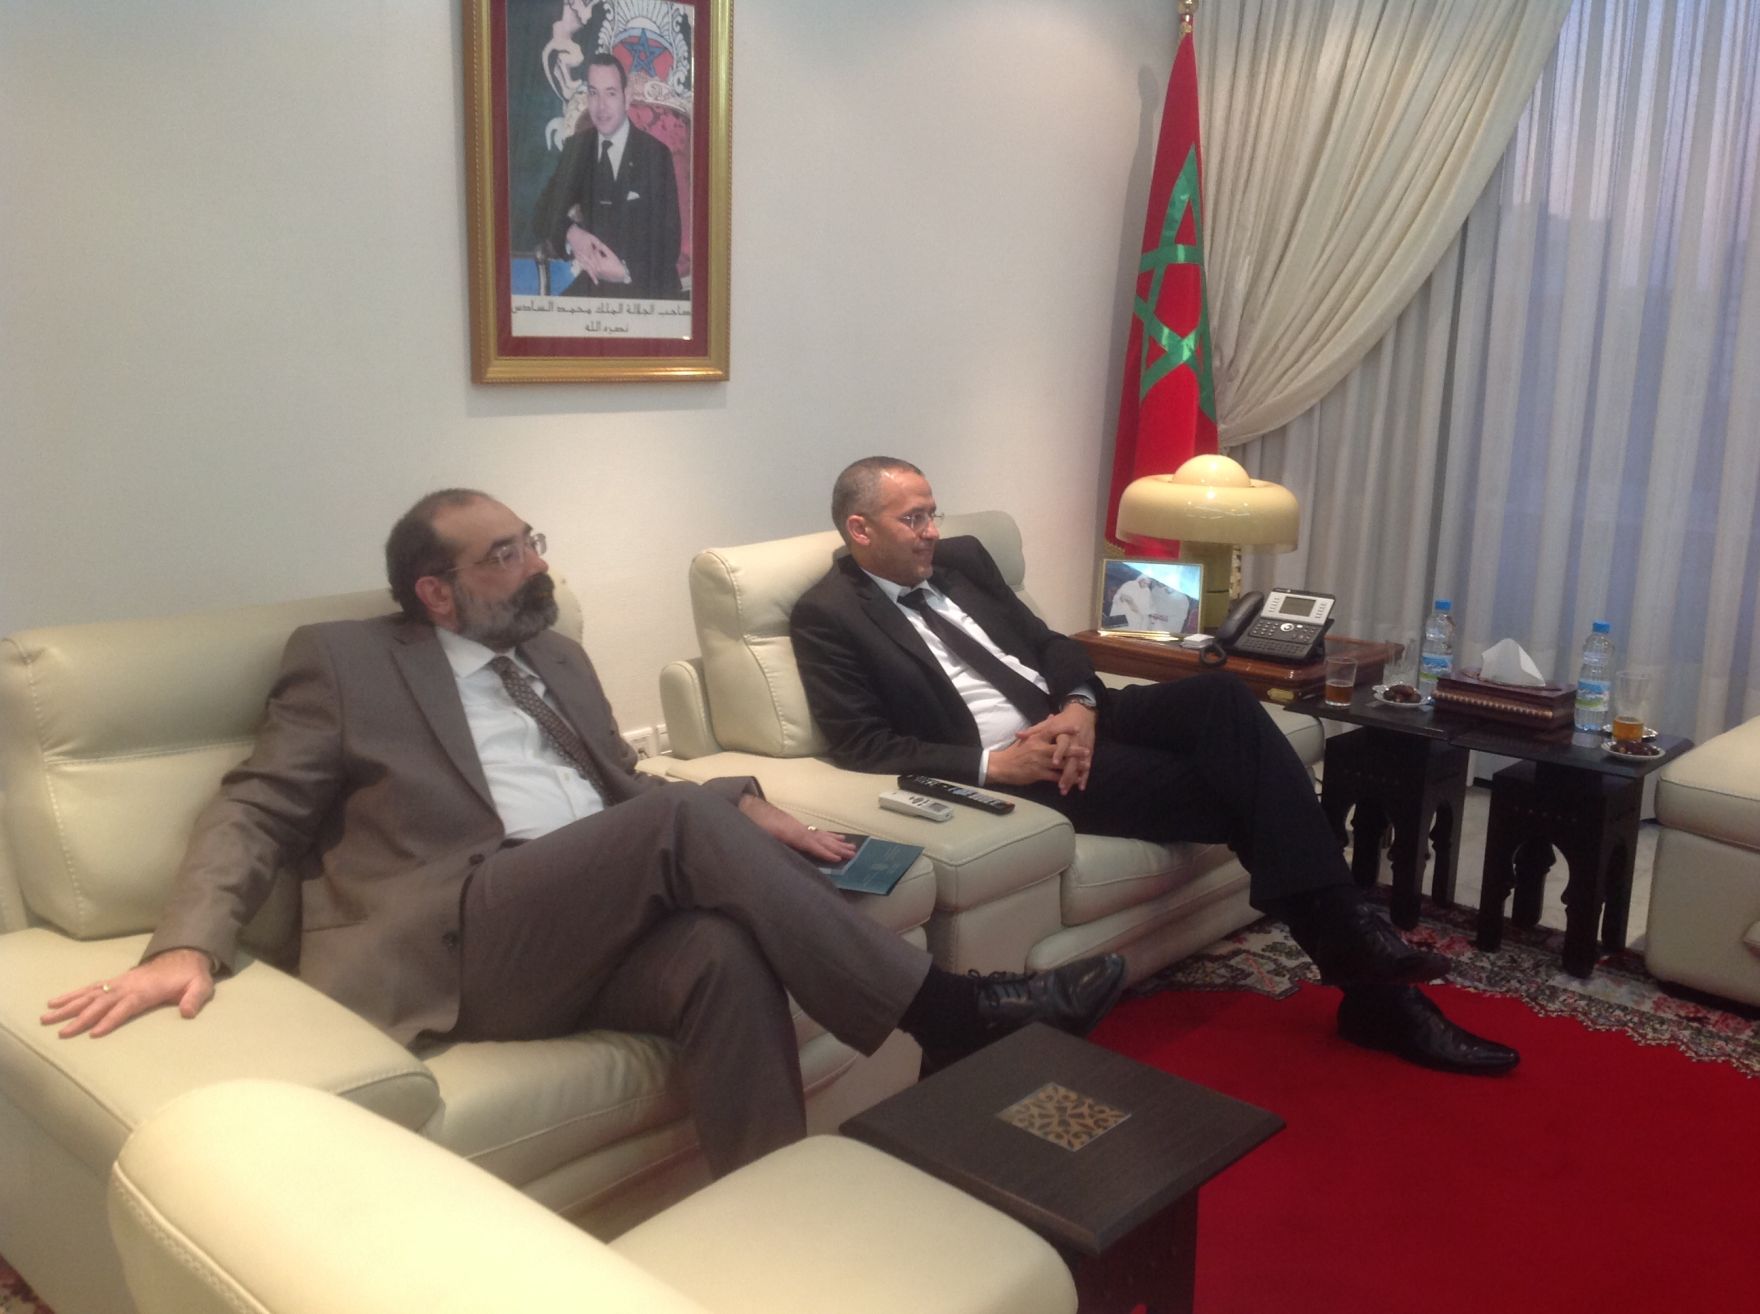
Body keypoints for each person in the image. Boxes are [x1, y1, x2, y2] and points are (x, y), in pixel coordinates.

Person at [41, 489, 1126, 1176]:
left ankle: (768, 1203)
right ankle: (947, 1012)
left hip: (580, 924)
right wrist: (187, 942)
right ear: (436, 593)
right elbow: (257, 804)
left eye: (532, 542)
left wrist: (742, 800)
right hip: (460, 934)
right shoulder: (346, 661)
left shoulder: (555, 655)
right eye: (504, 555)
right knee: (674, 819)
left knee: (720, 950)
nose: (537, 567)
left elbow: (623, 781)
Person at [789, 457, 1521, 1076]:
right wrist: (994, 765)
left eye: (933, 513)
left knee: (1221, 698)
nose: (932, 531)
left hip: (1082, 717)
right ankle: (1375, 984)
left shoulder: (963, 562)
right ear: (861, 529)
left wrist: (1080, 702)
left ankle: (1359, 958)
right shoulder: (829, 615)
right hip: (1034, 766)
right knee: (1246, 786)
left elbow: (1051, 645)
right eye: (914, 519)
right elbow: (861, 743)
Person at [531, 53, 684, 300]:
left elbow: (669, 243)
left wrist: (624, 272)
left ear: (626, 97)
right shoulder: (578, 148)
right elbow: (541, 213)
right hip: (594, 285)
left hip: (648, 285)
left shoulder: (656, 154)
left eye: (610, 93)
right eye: (594, 93)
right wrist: (572, 234)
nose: (601, 106)